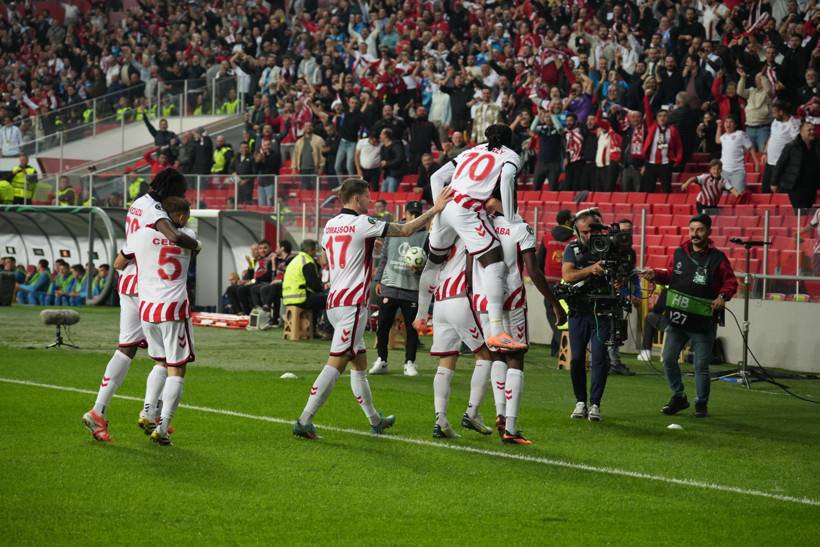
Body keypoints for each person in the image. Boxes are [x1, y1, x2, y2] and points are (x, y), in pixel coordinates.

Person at [292, 178, 452, 439]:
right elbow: (406, 230)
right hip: (352, 304)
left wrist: (365, 245)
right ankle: (305, 419)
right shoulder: (362, 223)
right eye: (367, 197)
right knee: (337, 364)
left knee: (360, 364)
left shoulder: (331, 224)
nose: (370, 201)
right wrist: (435, 209)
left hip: (334, 300)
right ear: (356, 199)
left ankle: (375, 420)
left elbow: (326, 257)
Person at [82, 168, 200, 442]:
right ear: (170, 189)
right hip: (149, 285)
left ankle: (103, 411)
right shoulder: (158, 213)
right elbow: (172, 236)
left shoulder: (138, 203)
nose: (183, 196)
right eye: (181, 191)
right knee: (166, 357)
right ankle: (152, 413)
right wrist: (194, 244)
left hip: (128, 282)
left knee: (127, 348)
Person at [415, 123, 525, 351]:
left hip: (445, 207)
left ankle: (421, 316)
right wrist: (511, 216)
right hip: (468, 208)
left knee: (434, 262)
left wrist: (438, 206)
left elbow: (436, 177)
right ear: (509, 139)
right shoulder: (511, 155)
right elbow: (505, 180)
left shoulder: (470, 151)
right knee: (494, 262)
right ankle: (497, 331)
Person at [470, 204, 566, 443]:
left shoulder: (480, 224)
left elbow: (467, 262)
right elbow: (532, 270)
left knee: (497, 356)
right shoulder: (521, 227)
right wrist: (554, 302)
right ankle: (511, 427)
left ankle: (500, 414)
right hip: (511, 299)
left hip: (484, 301)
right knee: (516, 356)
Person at [115, 196, 197, 445]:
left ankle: (148, 411)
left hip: (148, 310)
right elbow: (192, 255)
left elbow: (119, 264)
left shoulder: (139, 235)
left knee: (160, 362)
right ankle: (162, 427)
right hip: (174, 309)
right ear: (181, 218)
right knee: (177, 368)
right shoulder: (190, 235)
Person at [642, 213, 738, 418]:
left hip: (703, 322)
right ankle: (679, 396)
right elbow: (671, 274)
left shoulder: (718, 258)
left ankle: (701, 403)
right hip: (677, 319)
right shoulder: (679, 252)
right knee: (668, 359)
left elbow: (731, 283)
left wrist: (722, 297)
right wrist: (656, 274)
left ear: (709, 232)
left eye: (700, 230)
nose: (695, 234)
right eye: (692, 229)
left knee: (701, 366)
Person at [425, 238, 496, 439]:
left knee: (446, 362)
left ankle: (441, 421)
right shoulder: (467, 230)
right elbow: (470, 267)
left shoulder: (438, 236)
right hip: (459, 298)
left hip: (439, 302)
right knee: (485, 357)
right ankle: (472, 413)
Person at [561, 208, 622, 421]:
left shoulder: (610, 247)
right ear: (577, 231)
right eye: (584, 232)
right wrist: (590, 270)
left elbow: (621, 274)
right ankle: (580, 401)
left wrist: (619, 281)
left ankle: (595, 404)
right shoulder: (572, 248)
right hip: (578, 311)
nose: (588, 236)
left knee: (599, 358)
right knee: (577, 358)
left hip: (602, 310)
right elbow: (567, 275)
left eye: (591, 232)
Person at [370, 200, 427, 377]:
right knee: (383, 325)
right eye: (412, 214)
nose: (415, 217)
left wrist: (421, 270)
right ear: (406, 213)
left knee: (411, 329)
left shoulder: (427, 236)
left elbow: (430, 262)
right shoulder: (393, 231)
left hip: (412, 288)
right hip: (390, 285)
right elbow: (385, 256)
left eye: (418, 214)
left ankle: (409, 362)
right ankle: (382, 360)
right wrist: (378, 279)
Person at [536, 209, 574, 357]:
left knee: (553, 313)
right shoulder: (574, 240)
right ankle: (557, 347)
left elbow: (539, 262)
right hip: (568, 281)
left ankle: (561, 347)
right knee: (564, 314)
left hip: (550, 281)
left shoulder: (547, 237)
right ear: (567, 222)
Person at [606, 219, 641, 376]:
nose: (627, 234)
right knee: (603, 329)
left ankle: (614, 363)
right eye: (624, 231)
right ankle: (605, 362)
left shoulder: (631, 253)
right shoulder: (606, 249)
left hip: (619, 296)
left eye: (630, 231)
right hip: (604, 295)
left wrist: (636, 295)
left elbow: (631, 276)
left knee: (616, 329)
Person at [282, 239, 330, 337]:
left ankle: (311, 330)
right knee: (329, 299)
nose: (316, 252)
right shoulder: (307, 262)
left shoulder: (294, 260)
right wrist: (322, 289)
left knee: (317, 299)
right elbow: (314, 285)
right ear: (310, 250)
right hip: (301, 298)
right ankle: (327, 331)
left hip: (288, 298)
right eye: (315, 250)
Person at [771, 122, 820, 211]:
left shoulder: (818, 145)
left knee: (807, 211)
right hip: (796, 186)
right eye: (809, 130)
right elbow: (780, 165)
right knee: (801, 213)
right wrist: (774, 182)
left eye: (813, 130)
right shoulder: (791, 146)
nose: (812, 132)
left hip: (812, 186)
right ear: (801, 133)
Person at [641, 90, 681, 193]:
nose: (662, 118)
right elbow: (647, 110)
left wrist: (677, 159)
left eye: (665, 116)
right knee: (648, 189)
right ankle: (648, 208)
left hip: (666, 163)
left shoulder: (672, 130)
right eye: (660, 116)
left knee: (667, 189)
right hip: (651, 163)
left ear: (668, 118)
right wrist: (646, 97)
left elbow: (679, 146)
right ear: (656, 118)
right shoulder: (652, 126)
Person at [253, 240, 294, 329]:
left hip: (288, 285)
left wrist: (280, 281)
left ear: (282, 248)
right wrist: (273, 265)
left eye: (277, 247)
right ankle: (271, 318)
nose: (275, 250)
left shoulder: (291, 260)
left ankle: (266, 307)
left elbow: (292, 275)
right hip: (278, 285)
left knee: (273, 287)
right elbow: (273, 277)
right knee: (265, 289)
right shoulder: (279, 260)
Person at [761, 101, 801, 194]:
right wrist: (765, 152)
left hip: (782, 165)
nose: (773, 115)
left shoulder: (793, 124)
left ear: (781, 112)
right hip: (770, 163)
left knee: (781, 193)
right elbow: (771, 137)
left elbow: (795, 143)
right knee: (765, 191)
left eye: (774, 112)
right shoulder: (775, 121)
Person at [226, 240, 274, 315]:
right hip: (255, 282)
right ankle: (239, 312)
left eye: (255, 249)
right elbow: (251, 276)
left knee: (241, 289)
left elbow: (268, 275)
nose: (254, 251)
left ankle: (247, 313)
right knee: (230, 289)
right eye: (252, 249)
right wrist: (247, 274)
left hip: (262, 283)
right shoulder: (255, 260)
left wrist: (251, 281)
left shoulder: (271, 258)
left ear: (270, 248)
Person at [715, 114, 758, 192]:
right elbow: (717, 140)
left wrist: (757, 163)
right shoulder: (724, 136)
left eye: (731, 122)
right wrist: (719, 126)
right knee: (723, 197)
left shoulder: (740, 134)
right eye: (726, 122)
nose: (728, 124)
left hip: (738, 171)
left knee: (738, 196)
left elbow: (751, 148)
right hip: (724, 171)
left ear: (735, 125)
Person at [291, 120, 326, 190]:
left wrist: (321, 167)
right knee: (305, 190)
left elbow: (322, 155)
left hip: (314, 169)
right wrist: (294, 169)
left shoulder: (319, 140)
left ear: (313, 127)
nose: (308, 127)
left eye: (310, 126)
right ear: (303, 127)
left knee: (318, 189)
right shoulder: (299, 141)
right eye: (306, 126)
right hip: (303, 169)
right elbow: (295, 156)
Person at [637, 287, 668, 363]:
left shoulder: (670, 287)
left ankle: (646, 351)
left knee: (650, 317)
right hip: (689, 324)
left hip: (671, 323)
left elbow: (659, 308)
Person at [379, 128, 405, 193]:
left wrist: (387, 163)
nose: (380, 136)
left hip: (394, 174)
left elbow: (399, 159)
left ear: (385, 136)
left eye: (381, 134)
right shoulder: (383, 147)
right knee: (383, 194)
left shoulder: (396, 146)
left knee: (391, 193)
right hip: (386, 175)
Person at [796, 209, 820, 276]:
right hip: (819, 251)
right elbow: (812, 225)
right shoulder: (818, 212)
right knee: (818, 277)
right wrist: (799, 233)